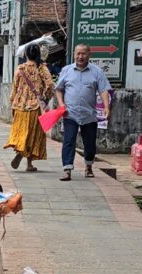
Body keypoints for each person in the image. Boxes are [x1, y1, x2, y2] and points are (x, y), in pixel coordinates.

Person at [55, 44, 111, 181]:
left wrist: (106, 107)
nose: (80, 56)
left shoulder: (97, 72)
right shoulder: (66, 70)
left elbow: (103, 90)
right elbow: (59, 89)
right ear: (74, 54)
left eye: (83, 54)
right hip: (70, 113)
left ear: (89, 55)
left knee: (90, 143)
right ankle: (67, 169)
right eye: (78, 54)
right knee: (68, 141)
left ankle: (89, 166)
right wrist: (61, 105)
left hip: (89, 114)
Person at [4, 44, 55, 173]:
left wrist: (12, 103)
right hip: (34, 107)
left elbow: (14, 88)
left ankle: (20, 150)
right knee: (33, 134)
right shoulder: (41, 68)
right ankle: (29, 163)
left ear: (26, 54)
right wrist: (45, 98)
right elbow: (50, 85)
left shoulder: (20, 69)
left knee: (21, 132)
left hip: (19, 106)